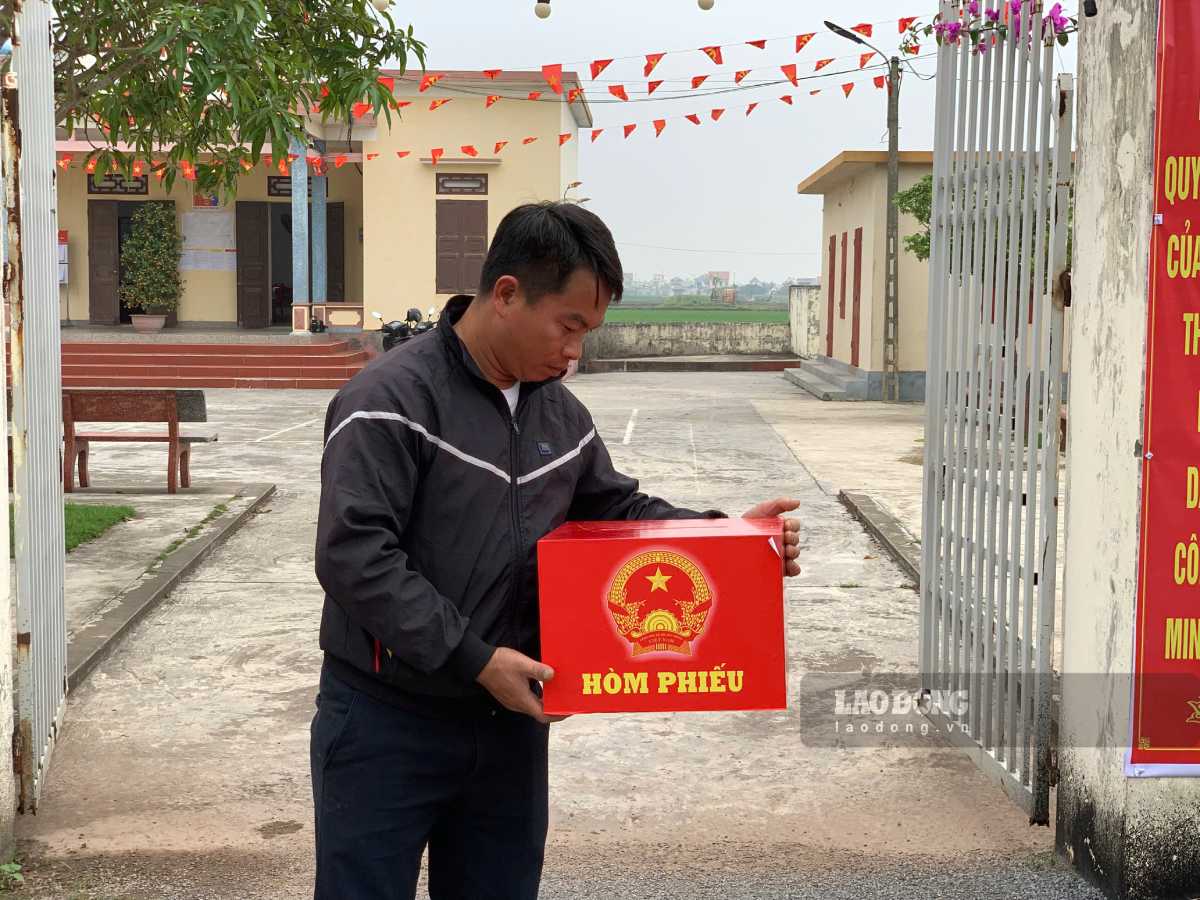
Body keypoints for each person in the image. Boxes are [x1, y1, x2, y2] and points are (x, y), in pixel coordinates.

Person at [311, 201, 801, 899]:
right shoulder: (389, 401)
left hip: (509, 722)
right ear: (508, 294)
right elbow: (355, 554)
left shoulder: (558, 412)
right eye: (568, 327)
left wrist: (730, 538)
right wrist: (475, 658)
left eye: (587, 333)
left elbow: (616, 510)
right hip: (387, 720)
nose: (575, 353)